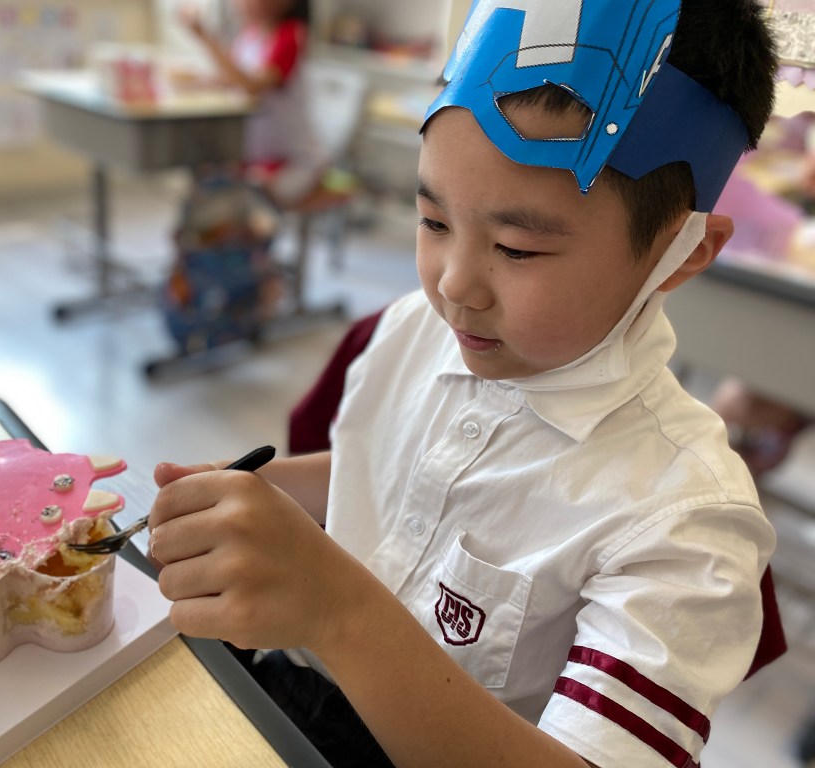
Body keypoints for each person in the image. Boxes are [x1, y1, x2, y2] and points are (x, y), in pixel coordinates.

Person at [145, 2, 783, 766]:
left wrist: (339, 612)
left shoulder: (685, 518)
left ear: (682, 252)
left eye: (516, 249)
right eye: (434, 221)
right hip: (276, 694)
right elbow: (389, 470)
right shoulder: (415, 329)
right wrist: (264, 488)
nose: (453, 286)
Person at [178, 0, 328, 208]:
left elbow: (251, 85)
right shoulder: (250, 33)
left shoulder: (291, 35)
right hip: (255, 156)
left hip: (294, 161)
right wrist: (198, 81)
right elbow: (233, 78)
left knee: (247, 204)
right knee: (207, 181)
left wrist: (204, 36)